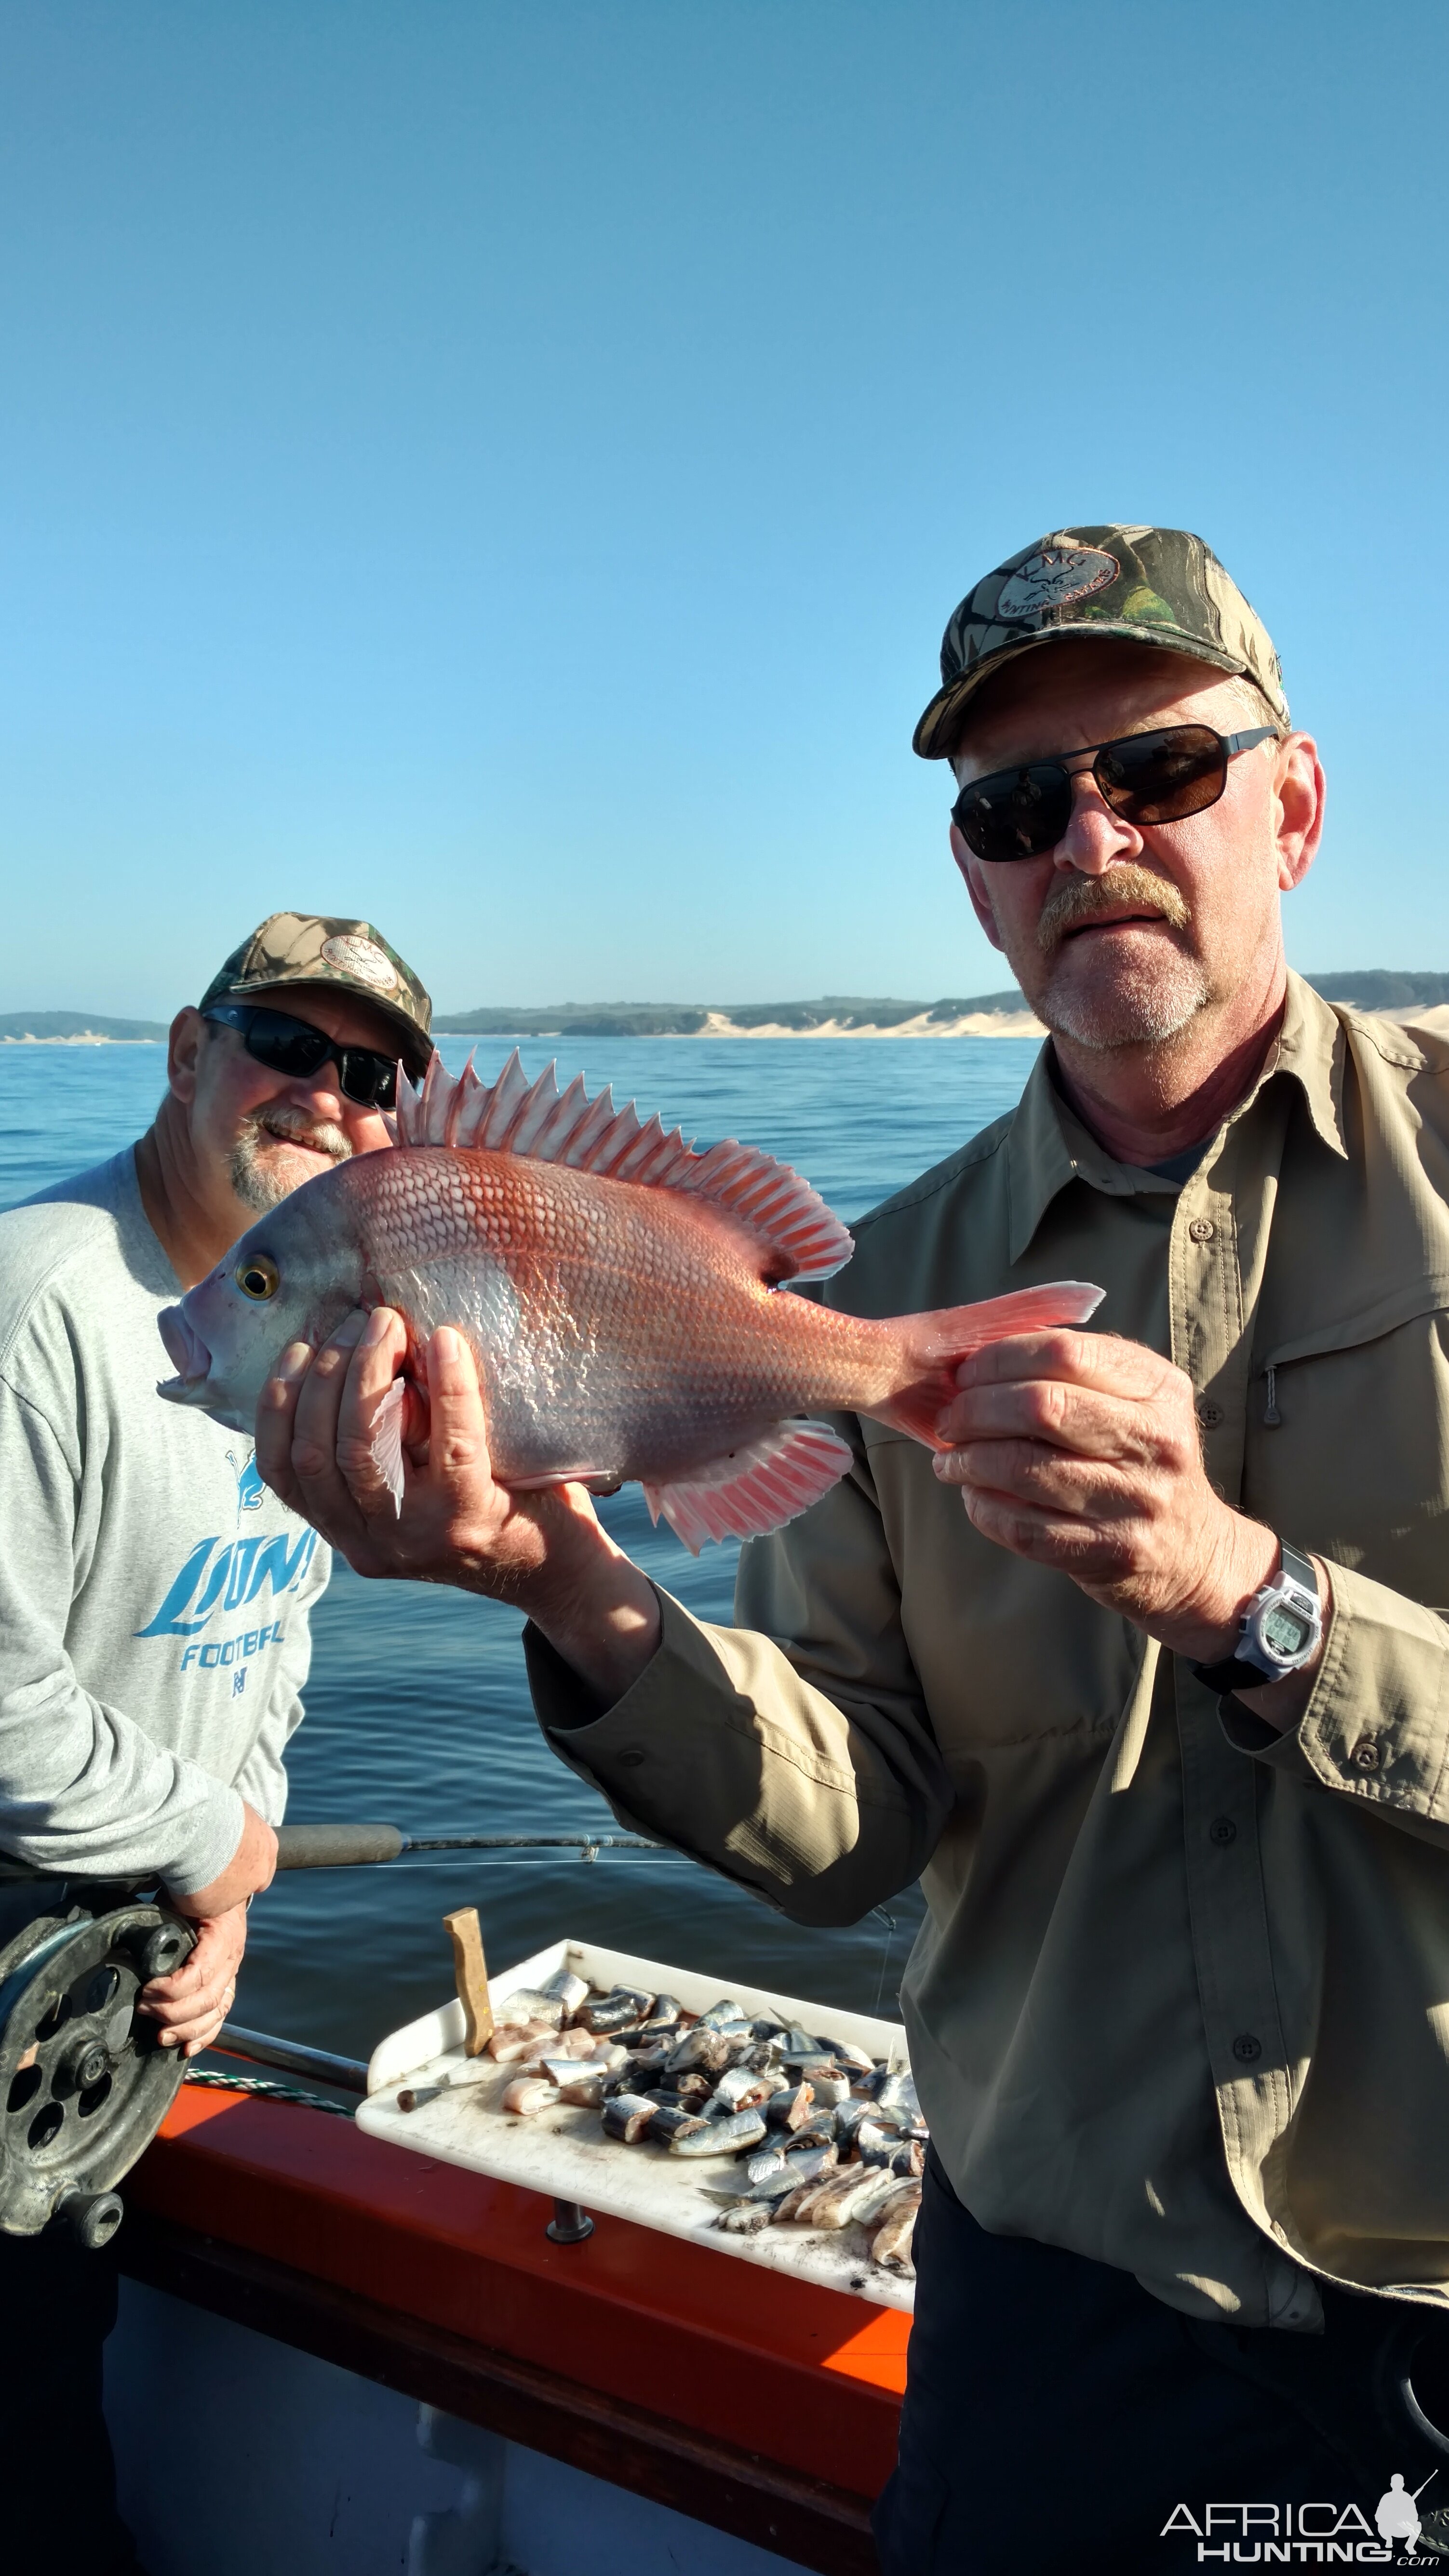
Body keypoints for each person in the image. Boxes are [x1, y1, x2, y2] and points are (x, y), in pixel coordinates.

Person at [256, 531, 1449, 2571]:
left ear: (1294, 802)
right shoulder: (886, 1292)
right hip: (1058, 2315)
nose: (1086, 838)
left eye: (1153, 770)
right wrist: (569, 1584)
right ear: (971, 874)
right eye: (1010, 806)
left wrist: (1255, 1603)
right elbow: (852, 1830)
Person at [0, 912, 432, 2576]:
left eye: (375, 1073)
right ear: (188, 1052)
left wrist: (230, 1879)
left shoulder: (317, 1317)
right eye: (288, 1045)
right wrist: (213, 1840)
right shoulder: (48, 1302)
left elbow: (271, 1634)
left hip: (113, 1976)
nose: (330, 1098)